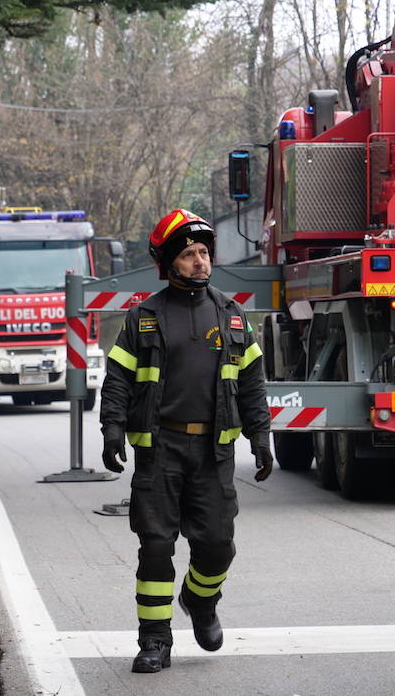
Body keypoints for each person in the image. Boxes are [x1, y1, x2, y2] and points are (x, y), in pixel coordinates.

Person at [99, 208, 273, 674]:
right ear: (169, 263)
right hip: (160, 452)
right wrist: (112, 429)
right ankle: (155, 641)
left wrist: (260, 437)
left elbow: (253, 383)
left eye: (204, 253)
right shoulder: (144, 318)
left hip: (214, 452)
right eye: (190, 254)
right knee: (155, 547)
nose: (201, 261)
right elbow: (117, 380)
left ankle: (200, 598)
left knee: (217, 545)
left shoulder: (233, 317)